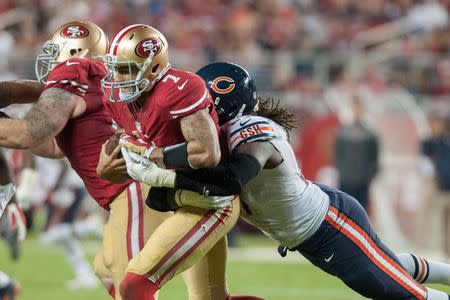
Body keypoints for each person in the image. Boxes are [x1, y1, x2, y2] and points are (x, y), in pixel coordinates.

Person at [122, 62, 450, 300]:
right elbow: (175, 194)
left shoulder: (250, 130)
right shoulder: (212, 138)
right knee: (388, 267)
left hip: (328, 226)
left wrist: (161, 166)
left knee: (399, 293)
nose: (191, 113)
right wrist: (155, 174)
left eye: (199, 105)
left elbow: (232, 181)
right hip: (310, 230)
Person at [0, 20, 175, 299]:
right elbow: (53, 147)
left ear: (72, 52)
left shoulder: (74, 69)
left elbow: (29, 134)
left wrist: (12, 124)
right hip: (131, 193)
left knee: (131, 290)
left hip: (132, 193)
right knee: (105, 268)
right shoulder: (95, 78)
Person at [99, 24, 258, 300]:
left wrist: (152, 154)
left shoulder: (179, 89)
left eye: (126, 69)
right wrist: (108, 167)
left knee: (136, 284)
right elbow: (123, 159)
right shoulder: (118, 100)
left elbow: (207, 153)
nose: (117, 77)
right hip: (176, 199)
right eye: (115, 68)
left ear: (153, 67)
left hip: (210, 202)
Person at [335, 94, 379, 211]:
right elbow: (338, 154)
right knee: (345, 211)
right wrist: (341, 172)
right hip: (346, 180)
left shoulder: (370, 133)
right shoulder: (343, 132)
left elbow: (374, 158)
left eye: (359, 107)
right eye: (355, 107)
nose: (357, 110)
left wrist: (369, 176)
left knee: (361, 211)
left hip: (362, 181)